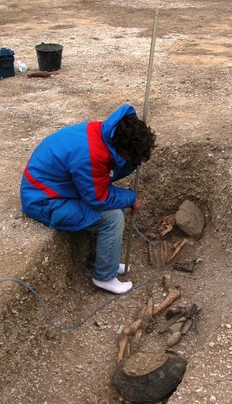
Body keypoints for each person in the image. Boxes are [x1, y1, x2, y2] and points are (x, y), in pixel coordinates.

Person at [20, 104, 156, 295]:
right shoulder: (92, 155)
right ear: (124, 151)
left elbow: (97, 183)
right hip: (44, 201)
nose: (136, 162)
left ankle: (104, 259)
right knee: (113, 217)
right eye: (133, 158)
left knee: (114, 209)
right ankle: (104, 276)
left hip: (58, 190)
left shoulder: (104, 134)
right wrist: (130, 197)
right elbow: (98, 198)